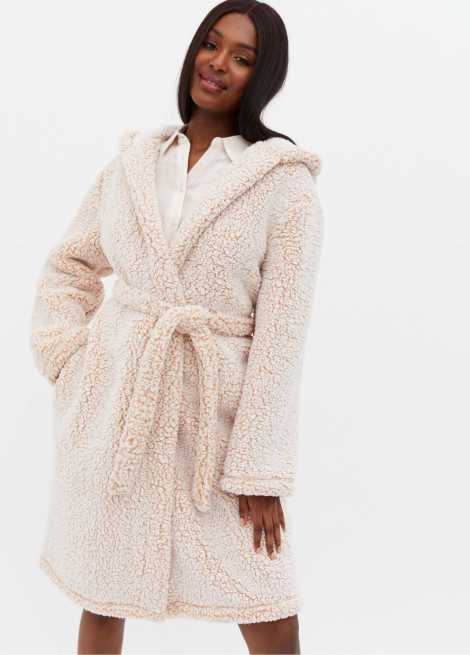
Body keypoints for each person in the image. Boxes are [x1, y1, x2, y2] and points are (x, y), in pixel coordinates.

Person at [29, 1, 324, 653]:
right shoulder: (135, 163)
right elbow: (70, 265)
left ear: (264, 76)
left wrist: (259, 473)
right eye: (211, 45)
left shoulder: (283, 187)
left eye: (242, 57)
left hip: (215, 426)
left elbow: (281, 341)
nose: (218, 64)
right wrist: (71, 362)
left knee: (268, 601)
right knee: (101, 594)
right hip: (117, 413)